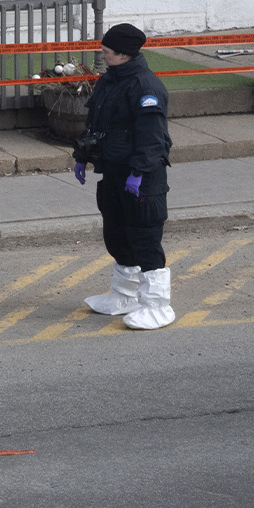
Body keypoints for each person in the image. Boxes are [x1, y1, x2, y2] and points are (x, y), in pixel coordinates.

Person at [72, 23, 176, 329]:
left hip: (142, 177)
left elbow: (153, 139)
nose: (101, 55)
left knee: (145, 238)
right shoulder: (110, 81)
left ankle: (158, 305)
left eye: (106, 51)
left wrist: (139, 173)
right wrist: (82, 157)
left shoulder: (146, 88)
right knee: (117, 235)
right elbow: (96, 123)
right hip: (114, 172)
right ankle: (124, 296)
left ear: (124, 54)